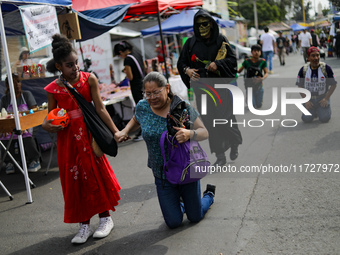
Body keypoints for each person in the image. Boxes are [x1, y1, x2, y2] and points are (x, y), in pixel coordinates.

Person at [42, 34, 121, 244]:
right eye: (69, 65)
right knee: (76, 180)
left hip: (89, 135)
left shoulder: (90, 79)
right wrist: (47, 125)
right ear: (59, 66)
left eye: (76, 62)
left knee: (95, 175)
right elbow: (50, 118)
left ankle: (106, 218)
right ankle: (84, 224)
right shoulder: (52, 89)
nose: (75, 67)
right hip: (68, 140)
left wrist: (116, 131)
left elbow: (101, 108)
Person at [116, 72, 215, 229]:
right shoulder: (143, 106)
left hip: (186, 170)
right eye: (148, 93)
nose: (152, 97)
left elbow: (205, 132)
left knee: (194, 217)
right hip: (162, 174)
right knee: (174, 222)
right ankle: (181, 204)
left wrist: (190, 134)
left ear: (167, 88)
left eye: (156, 92)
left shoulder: (181, 107)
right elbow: (136, 118)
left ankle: (208, 195)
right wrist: (125, 130)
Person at [177, 9, 242, 166]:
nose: (202, 27)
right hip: (202, 89)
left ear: (211, 24)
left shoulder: (220, 40)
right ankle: (220, 156)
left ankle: (234, 143)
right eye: (198, 24)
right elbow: (181, 63)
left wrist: (217, 64)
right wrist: (188, 70)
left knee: (225, 119)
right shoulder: (190, 43)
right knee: (210, 121)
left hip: (220, 88)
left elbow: (233, 61)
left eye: (205, 23)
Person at [0, 73, 41, 174]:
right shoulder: (5, 99)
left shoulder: (26, 95)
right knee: (3, 139)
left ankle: (34, 160)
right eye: (14, 82)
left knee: (27, 136)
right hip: (10, 128)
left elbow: (34, 111)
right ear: (7, 85)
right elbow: (2, 114)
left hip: (28, 125)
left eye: (18, 82)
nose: (17, 84)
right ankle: (10, 162)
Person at [114, 41, 145, 141]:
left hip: (136, 85)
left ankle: (142, 131)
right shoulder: (137, 53)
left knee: (140, 109)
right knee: (145, 106)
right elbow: (144, 66)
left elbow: (130, 77)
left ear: (120, 52)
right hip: (143, 82)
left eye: (120, 55)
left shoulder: (127, 59)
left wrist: (126, 71)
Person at [296, 47, 337, 123]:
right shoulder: (303, 70)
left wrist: (326, 98)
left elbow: (334, 85)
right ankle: (314, 111)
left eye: (317, 55)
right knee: (306, 119)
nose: (316, 58)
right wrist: (306, 101)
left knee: (324, 119)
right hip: (309, 99)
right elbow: (300, 86)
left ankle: (323, 110)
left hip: (322, 98)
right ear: (308, 57)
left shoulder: (326, 68)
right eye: (313, 56)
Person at [237, 44, 268, 109]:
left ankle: (255, 98)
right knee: (252, 106)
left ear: (260, 52)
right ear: (252, 52)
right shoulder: (246, 61)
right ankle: (249, 98)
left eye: (258, 51)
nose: (256, 52)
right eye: (255, 51)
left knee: (258, 105)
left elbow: (266, 73)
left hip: (259, 85)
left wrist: (262, 79)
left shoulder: (262, 61)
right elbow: (239, 71)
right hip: (249, 85)